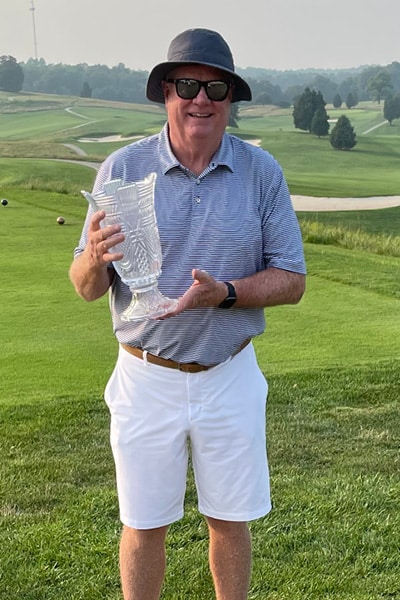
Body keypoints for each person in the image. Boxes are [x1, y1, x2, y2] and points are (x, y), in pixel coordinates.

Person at [70, 28, 306, 600]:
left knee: (229, 520)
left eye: (215, 88)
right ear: (167, 93)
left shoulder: (261, 172)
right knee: (144, 524)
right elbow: (83, 285)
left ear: (230, 99)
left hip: (229, 374)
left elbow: (292, 280)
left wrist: (223, 292)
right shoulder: (122, 168)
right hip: (144, 374)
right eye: (187, 84)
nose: (201, 98)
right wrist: (96, 258)